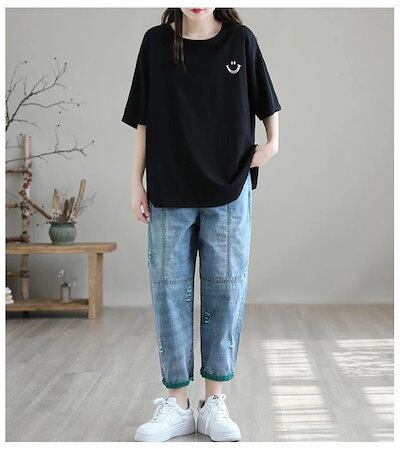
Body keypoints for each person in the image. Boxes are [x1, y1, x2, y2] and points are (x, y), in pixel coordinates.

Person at [122, 7, 280, 442]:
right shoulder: (155, 43)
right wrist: (135, 182)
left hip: (229, 191)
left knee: (226, 290)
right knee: (169, 292)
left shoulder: (241, 41)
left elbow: (267, 102)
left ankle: (214, 403)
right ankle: (177, 405)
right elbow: (143, 120)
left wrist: (271, 146)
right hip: (168, 189)